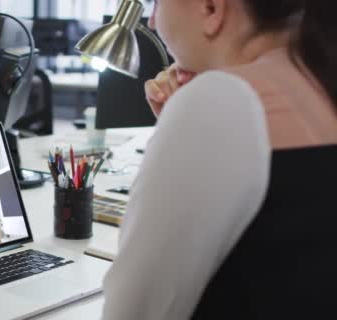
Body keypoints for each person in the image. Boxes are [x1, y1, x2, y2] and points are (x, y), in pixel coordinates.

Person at [102, 1, 337, 319]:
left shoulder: (222, 100)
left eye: (157, 3)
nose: (154, 22)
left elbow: (133, 311)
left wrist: (188, 120)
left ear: (212, 9)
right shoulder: (319, 82)